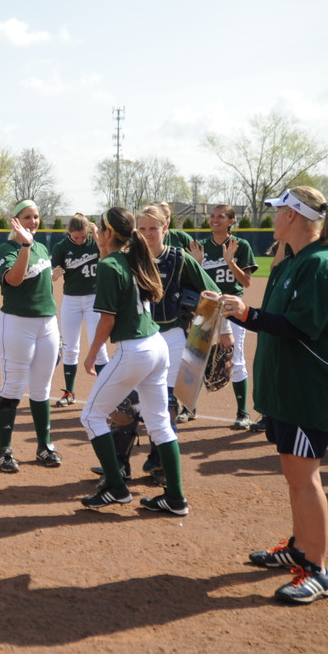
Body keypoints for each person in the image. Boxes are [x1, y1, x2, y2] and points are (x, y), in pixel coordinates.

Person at [222, 187, 328, 604]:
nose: (273, 218)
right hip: (288, 387)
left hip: (308, 390)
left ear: (294, 217)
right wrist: (241, 311)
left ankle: (317, 570)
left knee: (304, 476)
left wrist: (247, 314)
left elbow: (301, 327)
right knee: (293, 474)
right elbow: (276, 319)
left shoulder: (324, 265)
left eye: (279, 211)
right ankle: (299, 547)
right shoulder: (295, 261)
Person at [79, 207, 187, 516]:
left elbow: (107, 321)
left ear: (108, 233)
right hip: (157, 345)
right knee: (159, 423)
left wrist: (91, 354)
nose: (96, 234)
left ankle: (116, 487)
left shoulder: (111, 264)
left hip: (135, 350)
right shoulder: (135, 257)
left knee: (90, 416)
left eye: (99, 229)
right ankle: (175, 498)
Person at [132, 204, 231, 479]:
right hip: (139, 338)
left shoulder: (179, 259)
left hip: (173, 336)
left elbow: (212, 292)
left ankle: (160, 462)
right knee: (128, 403)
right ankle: (118, 463)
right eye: (142, 228)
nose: (148, 233)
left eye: (154, 228)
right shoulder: (129, 258)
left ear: (166, 228)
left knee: (166, 403)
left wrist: (223, 331)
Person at [0, 200, 64, 473]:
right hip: (16, 324)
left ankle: (44, 445)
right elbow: (14, 280)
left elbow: (45, 287)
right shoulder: (7, 248)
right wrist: (25, 246)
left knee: (42, 388)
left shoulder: (43, 248)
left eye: (35, 217)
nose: (33, 222)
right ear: (15, 221)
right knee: (12, 386)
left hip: (46, 323)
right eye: (27, 217)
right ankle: (5, 451)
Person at [185, 205, 257, 427]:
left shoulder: (240, 246)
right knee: (195, 358)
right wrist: (196, 262)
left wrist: (230, 261)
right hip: (206, 305)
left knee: (235, 359)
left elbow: (245, 282)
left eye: (221, 217)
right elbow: (191, 280)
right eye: (213, 216)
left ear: (231, 221)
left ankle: (242, 413)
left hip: (232, 305)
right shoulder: (201, 246)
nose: (215, 220)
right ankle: (189, 408)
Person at [50, 212, 107, 408]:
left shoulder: (95, 242)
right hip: (71, 300)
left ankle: (104, 393)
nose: (81, 240)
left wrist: (96, 234)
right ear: (70, 233)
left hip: (94, 299)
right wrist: (55, 275)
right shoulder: (61, 248)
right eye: (77, 237)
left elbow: (106, 252)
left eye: (84, 236)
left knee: (98, 345)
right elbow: (53, 274)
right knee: (70, 347)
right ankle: (69, 392)